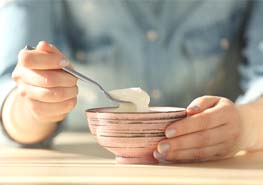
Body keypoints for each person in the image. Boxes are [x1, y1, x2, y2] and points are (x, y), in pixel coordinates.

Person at [0, 0, 262, 162]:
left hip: (215, 167)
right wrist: (34, 103)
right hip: (85, 166)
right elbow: (10, 88)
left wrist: (245, 125)